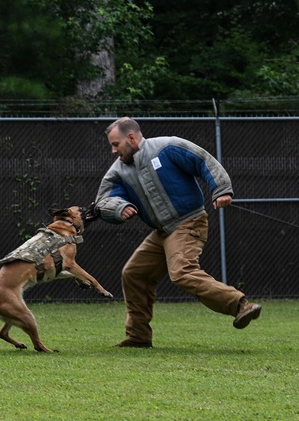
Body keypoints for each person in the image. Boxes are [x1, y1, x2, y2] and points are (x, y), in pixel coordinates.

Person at [92, 116, 261, 348]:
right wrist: (119, 208)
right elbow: (103, 201)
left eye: (115, 144)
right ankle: (138, 336)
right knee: (133, 274)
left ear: (131, 137)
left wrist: (221, 189)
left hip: (188, 222)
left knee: (182, 272)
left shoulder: (167, 147)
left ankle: (241, 305)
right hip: (162, 232)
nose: (113, 151)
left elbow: (202, 160)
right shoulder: (118, 171)